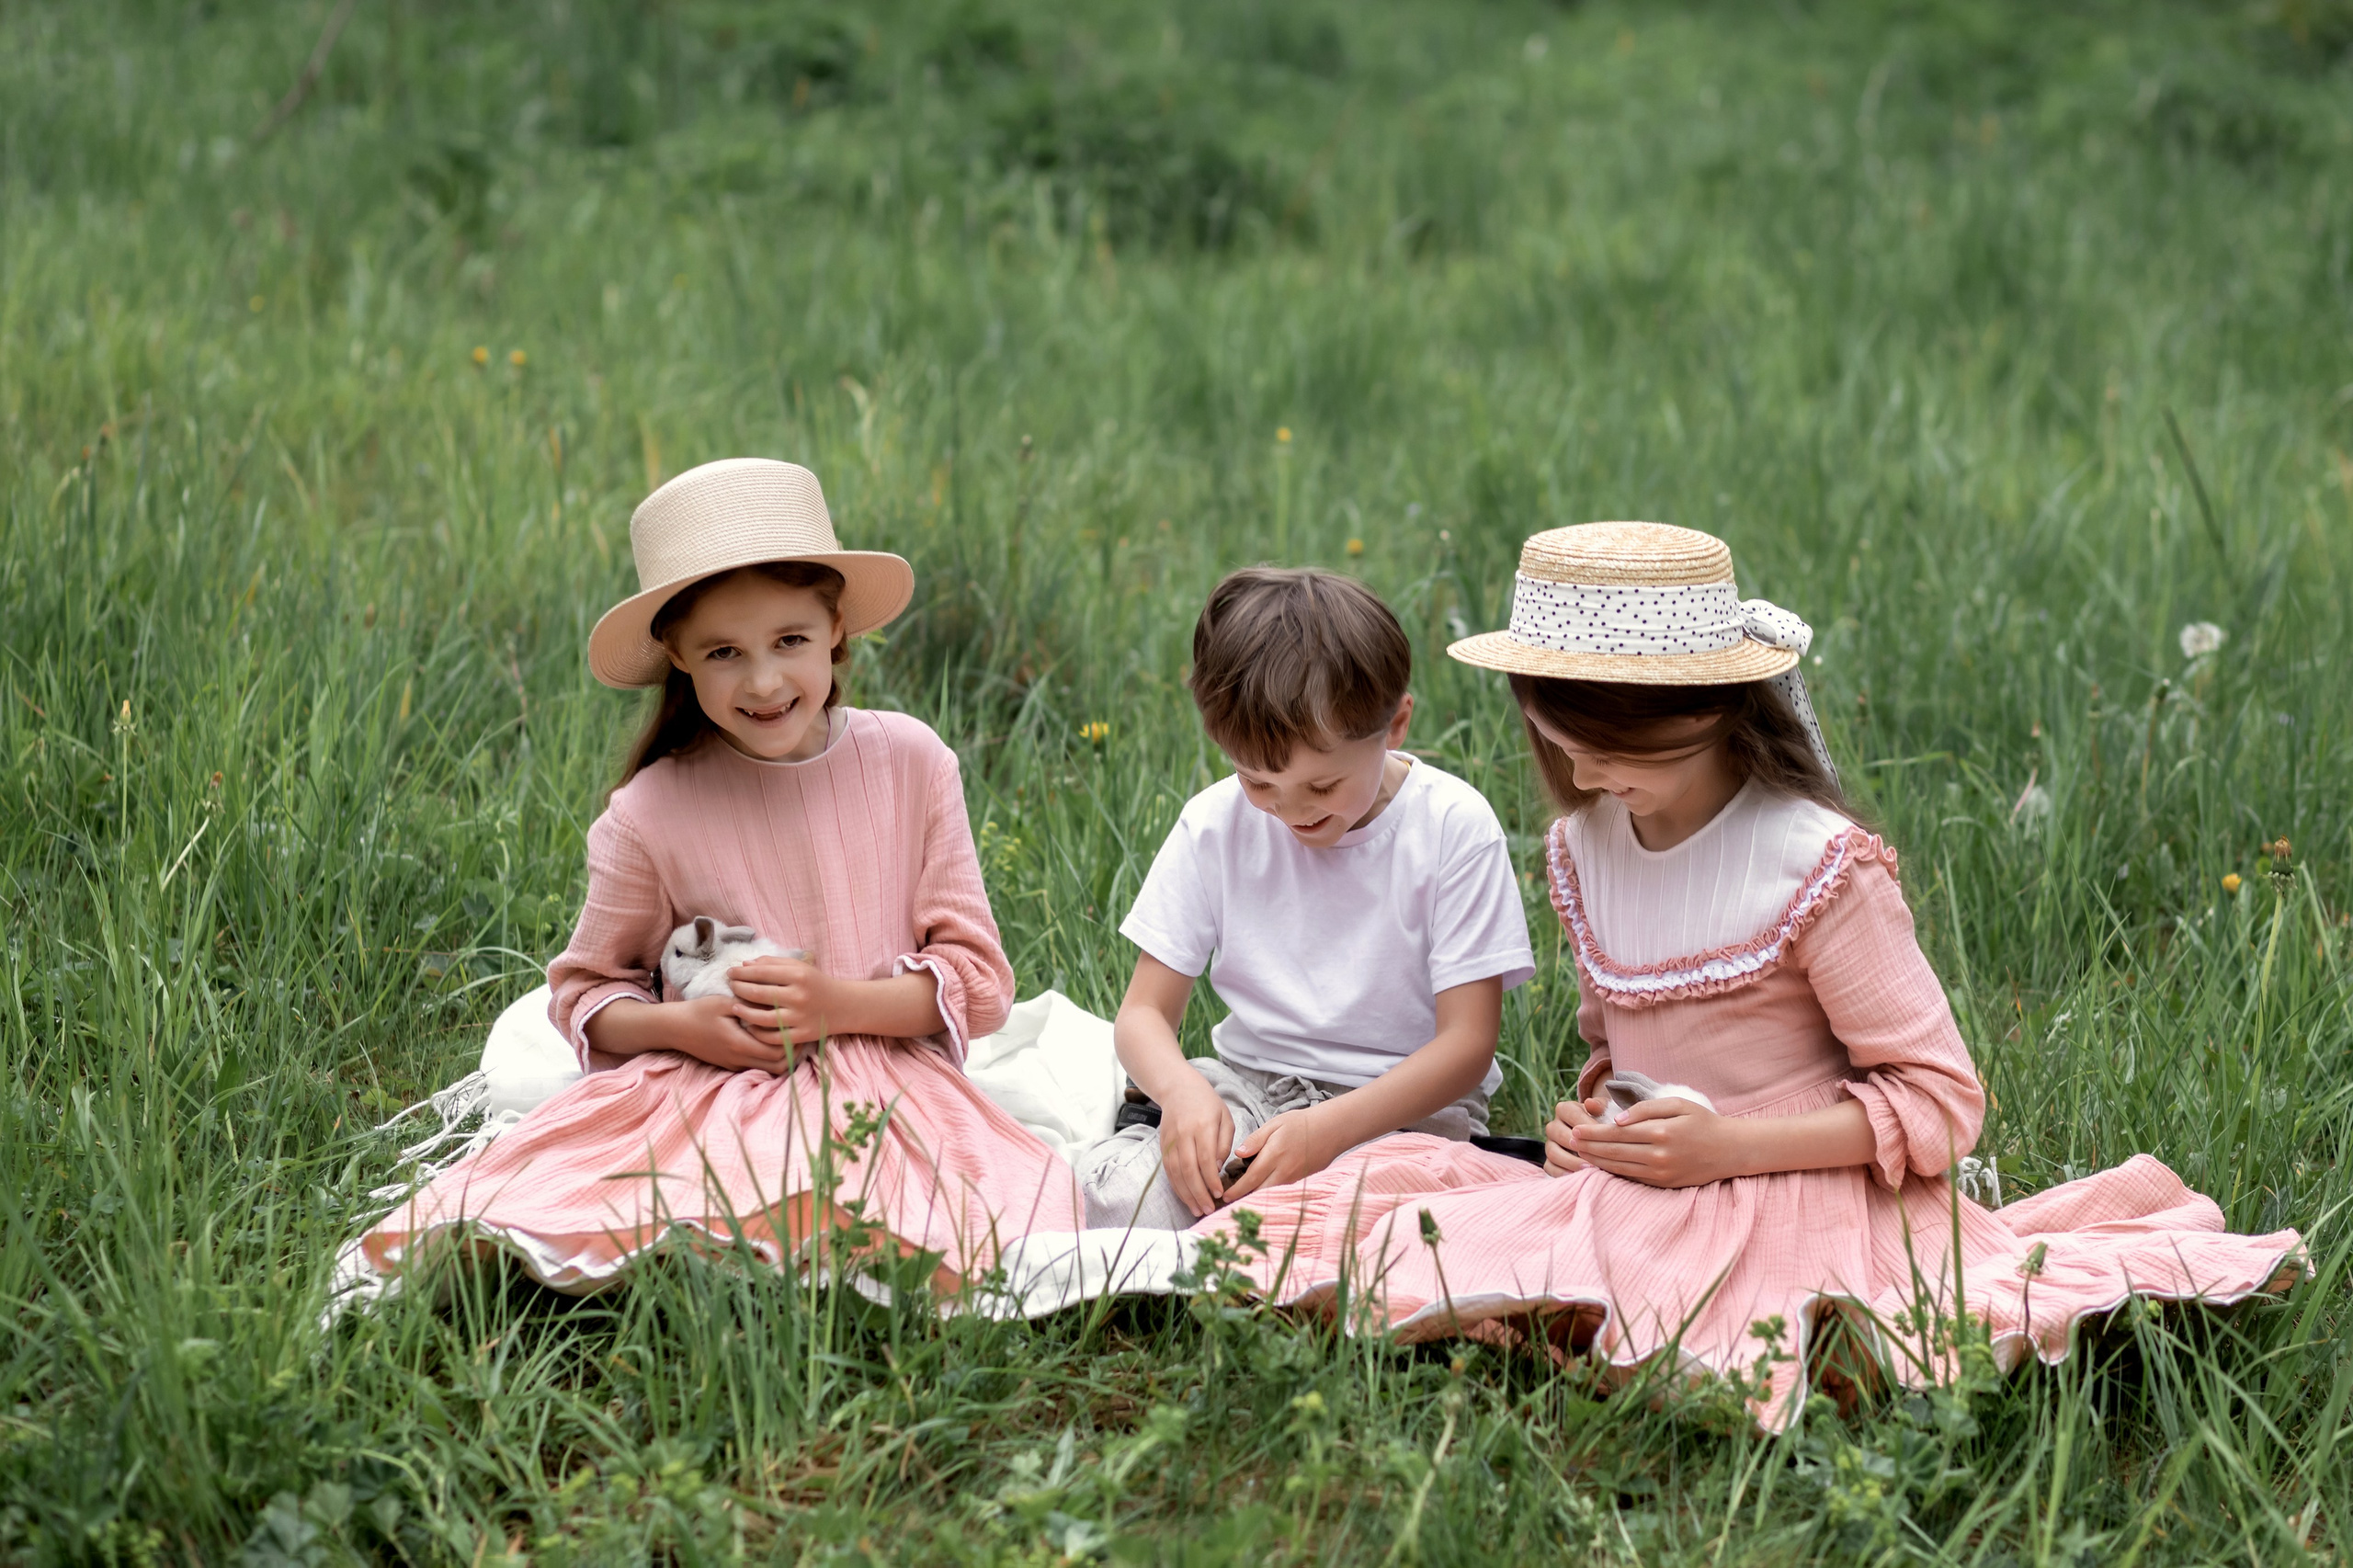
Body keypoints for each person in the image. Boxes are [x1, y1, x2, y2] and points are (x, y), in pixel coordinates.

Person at [1190, 522, 2305, 1427]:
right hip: (1650, 1177)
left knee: (1741, 1335)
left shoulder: (1809, 863)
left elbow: (1942, 1101)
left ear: (1712, 707)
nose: (1581, 771)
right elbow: (1617, 1048)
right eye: (1556, 739)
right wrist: (1586, 1118)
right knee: (1364, 1235)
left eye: (1614, 746)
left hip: (1802, 1183)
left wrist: (1728, 1147)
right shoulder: (1586, 844)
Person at [354, 459, 1076, 1293]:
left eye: (791, 641)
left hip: (884, 1072)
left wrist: (836, 1005)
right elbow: (586, 996)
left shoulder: (911, 762)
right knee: (630, 1197)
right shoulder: (651, 810)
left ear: (837, 626)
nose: (765, 681)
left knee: (966, 1215)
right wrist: (684, 1030)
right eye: (725, 652)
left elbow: (978, 985)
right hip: (719, 1081)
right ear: (678, 656)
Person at [1074, 567, 1535, 1228]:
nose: (1291, 810)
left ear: (1396, 723)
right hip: (1254, 1093)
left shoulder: (1452, 828)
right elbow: (1142, 1016)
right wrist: (1182, 1096)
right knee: (1123, 1202)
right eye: (1259, 783)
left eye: (1322, 787)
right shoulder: (1214, 825)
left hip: (1400, 1116)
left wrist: (1326, 1131)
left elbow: (1467, 1046)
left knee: (1391, 1223)